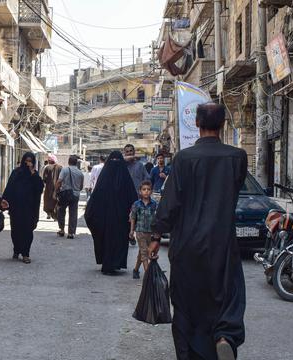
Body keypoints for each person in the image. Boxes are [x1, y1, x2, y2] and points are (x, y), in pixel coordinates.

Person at [150, 103, 247, 360]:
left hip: (187, 245)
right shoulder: (238, 157)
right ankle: (224, 335)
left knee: (185, 306)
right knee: (227, 295)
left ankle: (188, 354)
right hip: (222, 243)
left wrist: (156, 236)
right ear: (222, 125)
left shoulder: (183, 159)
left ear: (197, 124)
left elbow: (170, 203)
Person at [84, 151, 137, 275]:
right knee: (111, 239)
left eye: (117, 162)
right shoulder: (118, 178)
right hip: (109, 219)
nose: (115, 165)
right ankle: (111, 263)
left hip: (121, 219)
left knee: (115, 239)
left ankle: (113, 263)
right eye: (113, 162)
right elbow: (95, 201)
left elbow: (133, 200)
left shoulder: (110, 178)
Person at [3, 152, 44, 264]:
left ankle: (26, 253)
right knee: (15, 230)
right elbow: (9, 187)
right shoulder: (16, 173)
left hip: (29, 209)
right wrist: (4, 201)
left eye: (30, 161)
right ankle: (16, 250)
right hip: (16, 207)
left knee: (27, 231)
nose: (28, 163)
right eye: (26, 160)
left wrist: (33, 174)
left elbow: (39, 189)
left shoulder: (35, 175)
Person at [129, 180, 157, 280]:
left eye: (148, 189)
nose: (146, 191)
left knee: (143, 252)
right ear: (140, 191)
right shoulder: (137, 204)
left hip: (150, 232)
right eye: (144, 189)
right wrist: (132, 231)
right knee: (144, 252)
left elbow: (156, 218)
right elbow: (133, 217)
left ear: (151, 191)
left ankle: (136, 270)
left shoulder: (154, 204)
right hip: (140, 231)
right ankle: (148, 275)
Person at [56, 155, 84, 239]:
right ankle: (71, 233)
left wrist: (55, 191)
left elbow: (59, 181)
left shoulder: (65, 170)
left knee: (61, 211)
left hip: (65, 194)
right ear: (76, 163)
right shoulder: (80, 173)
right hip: (75, 195)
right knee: (73, 213)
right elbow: (81, 187)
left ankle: (61, 230)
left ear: (69, 162)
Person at [42, 154, 62, 220]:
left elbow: (44, 178)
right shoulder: (60, 167)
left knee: (48, 201)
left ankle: (49, 214)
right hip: (58, 188)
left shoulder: (47, 168)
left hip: (48, 189)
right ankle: (55, 216)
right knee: (56, 201)